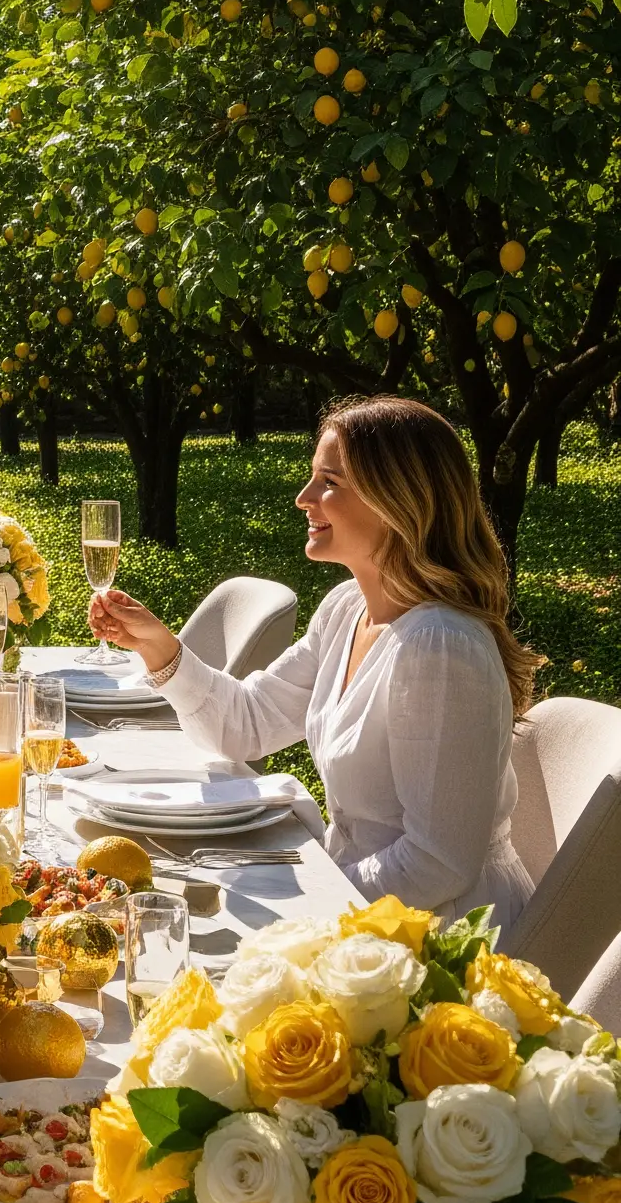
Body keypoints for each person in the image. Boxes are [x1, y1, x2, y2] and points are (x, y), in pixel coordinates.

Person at [89, 395, 539, 926]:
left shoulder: (439, 646)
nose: (305, 498)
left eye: (329, 482)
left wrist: (308, 910)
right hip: (363, 904)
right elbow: (249, 724)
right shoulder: (347, 607)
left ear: (398, 501)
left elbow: (437, 864)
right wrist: (157, 647)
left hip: (444, 936)